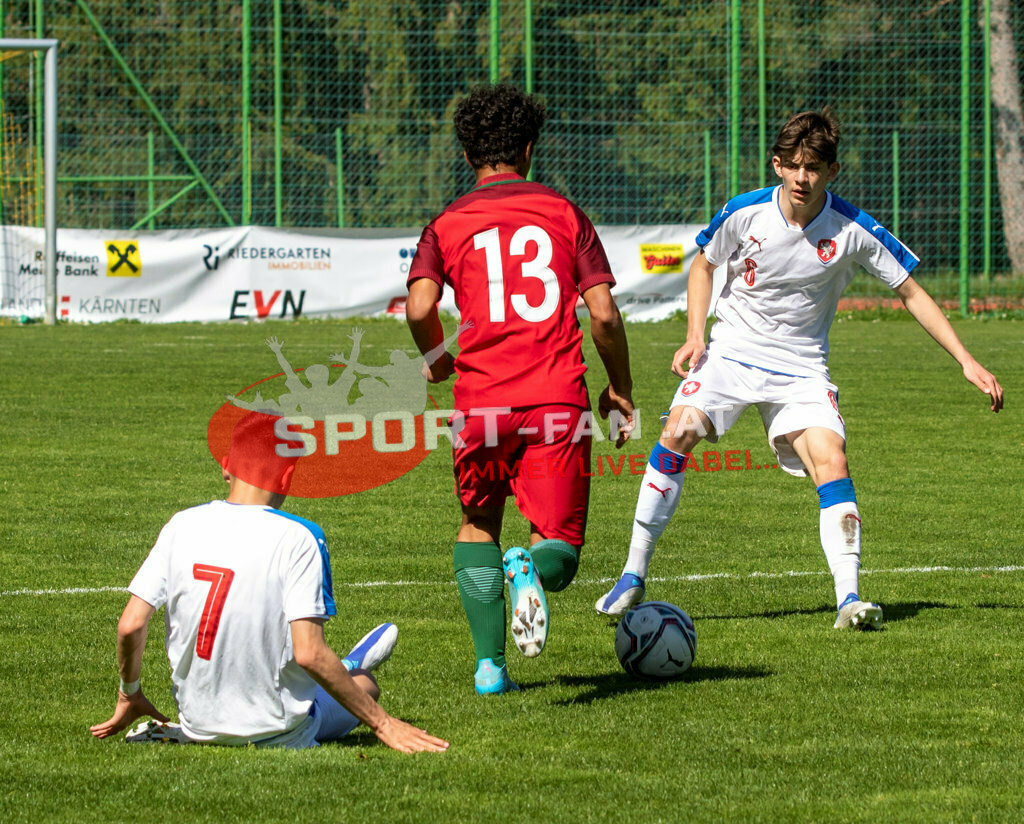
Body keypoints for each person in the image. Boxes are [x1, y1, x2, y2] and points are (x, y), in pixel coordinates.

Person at [596, 107, 1004, 629]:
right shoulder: (745, 213)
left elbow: (910, 291)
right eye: (792, 165)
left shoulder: (853, 228)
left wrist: (966, 359)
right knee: (678, 432)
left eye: (813, 166)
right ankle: (632, 574)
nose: (802, 177)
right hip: (731, 353)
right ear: (777, 166)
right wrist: (696, 334)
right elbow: (703, 264)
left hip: (801, 369)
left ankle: (849, 600)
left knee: (831, 457)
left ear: (831, 171)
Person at [405, 83, 635, 694]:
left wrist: (436, 357)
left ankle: (489, 668)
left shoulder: (446, 223)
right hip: (556, 397)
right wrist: (620, 390)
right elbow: (605, 316)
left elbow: (420, 303)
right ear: (529, 148)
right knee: (556, 547)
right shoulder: (563, 214)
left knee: (478, 520)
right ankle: (528, 567)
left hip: (481, 401)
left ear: (468, 156)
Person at [90, 412, 449, 752]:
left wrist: (129, 693)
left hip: (198, 726)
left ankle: (349, 665)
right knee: (367, 687)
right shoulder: (300, 536)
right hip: (280, 733)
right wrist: (385, 725)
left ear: (226, 467)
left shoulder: (180, 525)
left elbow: (131, 624)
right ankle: (352, 665)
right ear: (287, 474)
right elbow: (308, 653)